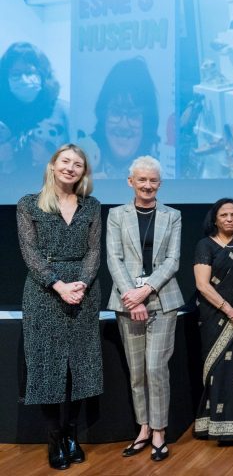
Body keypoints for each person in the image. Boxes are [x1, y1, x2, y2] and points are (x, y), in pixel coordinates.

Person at [16, 144, 102, 470]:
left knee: (80, 367)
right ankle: (54, 438)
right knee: (48, 367)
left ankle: (71, 435)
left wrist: (80, 283)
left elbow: (94, 252)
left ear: (84, 172)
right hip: (44, 293)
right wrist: (57, 284)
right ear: (52, 166)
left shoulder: (91, 206)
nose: (70, 168)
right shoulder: (29, 204)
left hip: (83, 290)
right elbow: (30, 253)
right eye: (65, 161)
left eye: (77, 164)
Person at [105, 156, 184, 461]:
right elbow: (114, 258)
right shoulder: (116, 215)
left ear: (159, 184)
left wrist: (145, 291)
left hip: (163, 299)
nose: (147, 185)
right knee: (137, 372)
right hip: (126, 302)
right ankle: (143, 429)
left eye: (153, 180)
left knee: (155, 368)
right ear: (131, 182)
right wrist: (132, 296)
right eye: (142, 180)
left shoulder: (172, 216)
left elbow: (173, 261)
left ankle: (160, 432)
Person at [193, 198, 233, 443]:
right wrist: (231, 311)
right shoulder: (205, 245)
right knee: (219, 368)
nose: (229, 219)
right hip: (216, 317)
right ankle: (214, 424)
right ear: (215, 218)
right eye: (224, 215)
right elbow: (202, 285)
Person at [0, 42, 68, 178]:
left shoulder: (63, 112)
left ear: (43, 75)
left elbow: (83, 167)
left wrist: (50, 162)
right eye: (16, 73)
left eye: (30, 72)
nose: (24, 79)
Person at [92, 57, 160, 178]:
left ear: (147, 122)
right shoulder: (78, 171)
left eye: (133, 115)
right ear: (103, 116)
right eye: (116, 113)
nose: (124, 125)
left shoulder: (163, 174)